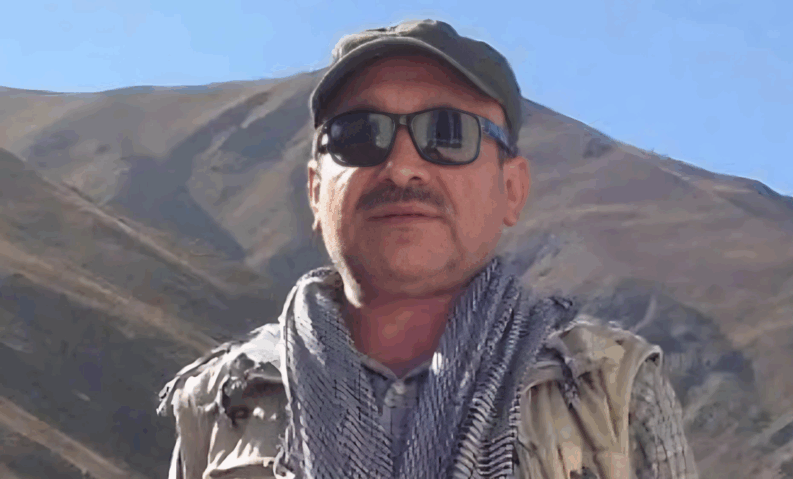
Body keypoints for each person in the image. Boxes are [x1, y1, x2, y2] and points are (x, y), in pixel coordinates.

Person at [158, 19, 699, 479]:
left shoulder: (611, 390)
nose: (402, 167)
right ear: (316, 191)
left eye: (448, 132)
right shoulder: (224, 400)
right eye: (359, 134)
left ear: (511, 190)